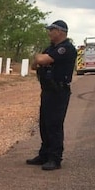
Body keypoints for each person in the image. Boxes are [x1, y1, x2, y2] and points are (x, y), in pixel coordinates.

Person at [27, 19, 77, 171]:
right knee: (44, 123)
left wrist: (42, 60)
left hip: (59, 91)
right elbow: (34, 64)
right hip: (48, 90)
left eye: (51, 30)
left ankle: (55, 158)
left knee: (54, 124)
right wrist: (41, 60)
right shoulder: (51, 48)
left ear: (60, 32)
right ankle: (44, 154)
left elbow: (42, 59)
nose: (49, 32)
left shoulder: (66, 48)